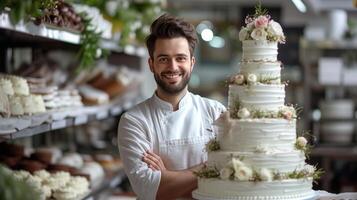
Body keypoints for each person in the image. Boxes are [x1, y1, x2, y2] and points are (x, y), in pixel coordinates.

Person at [117, 13, 225, 200]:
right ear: (151, 64)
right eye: (163, 59)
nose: (172, 67)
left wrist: (167, 177)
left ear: (192, 63)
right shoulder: (134, 121)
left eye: (180, 58)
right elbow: (151, 189)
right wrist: (211, 167)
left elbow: (233, 176)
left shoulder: (215, 112)